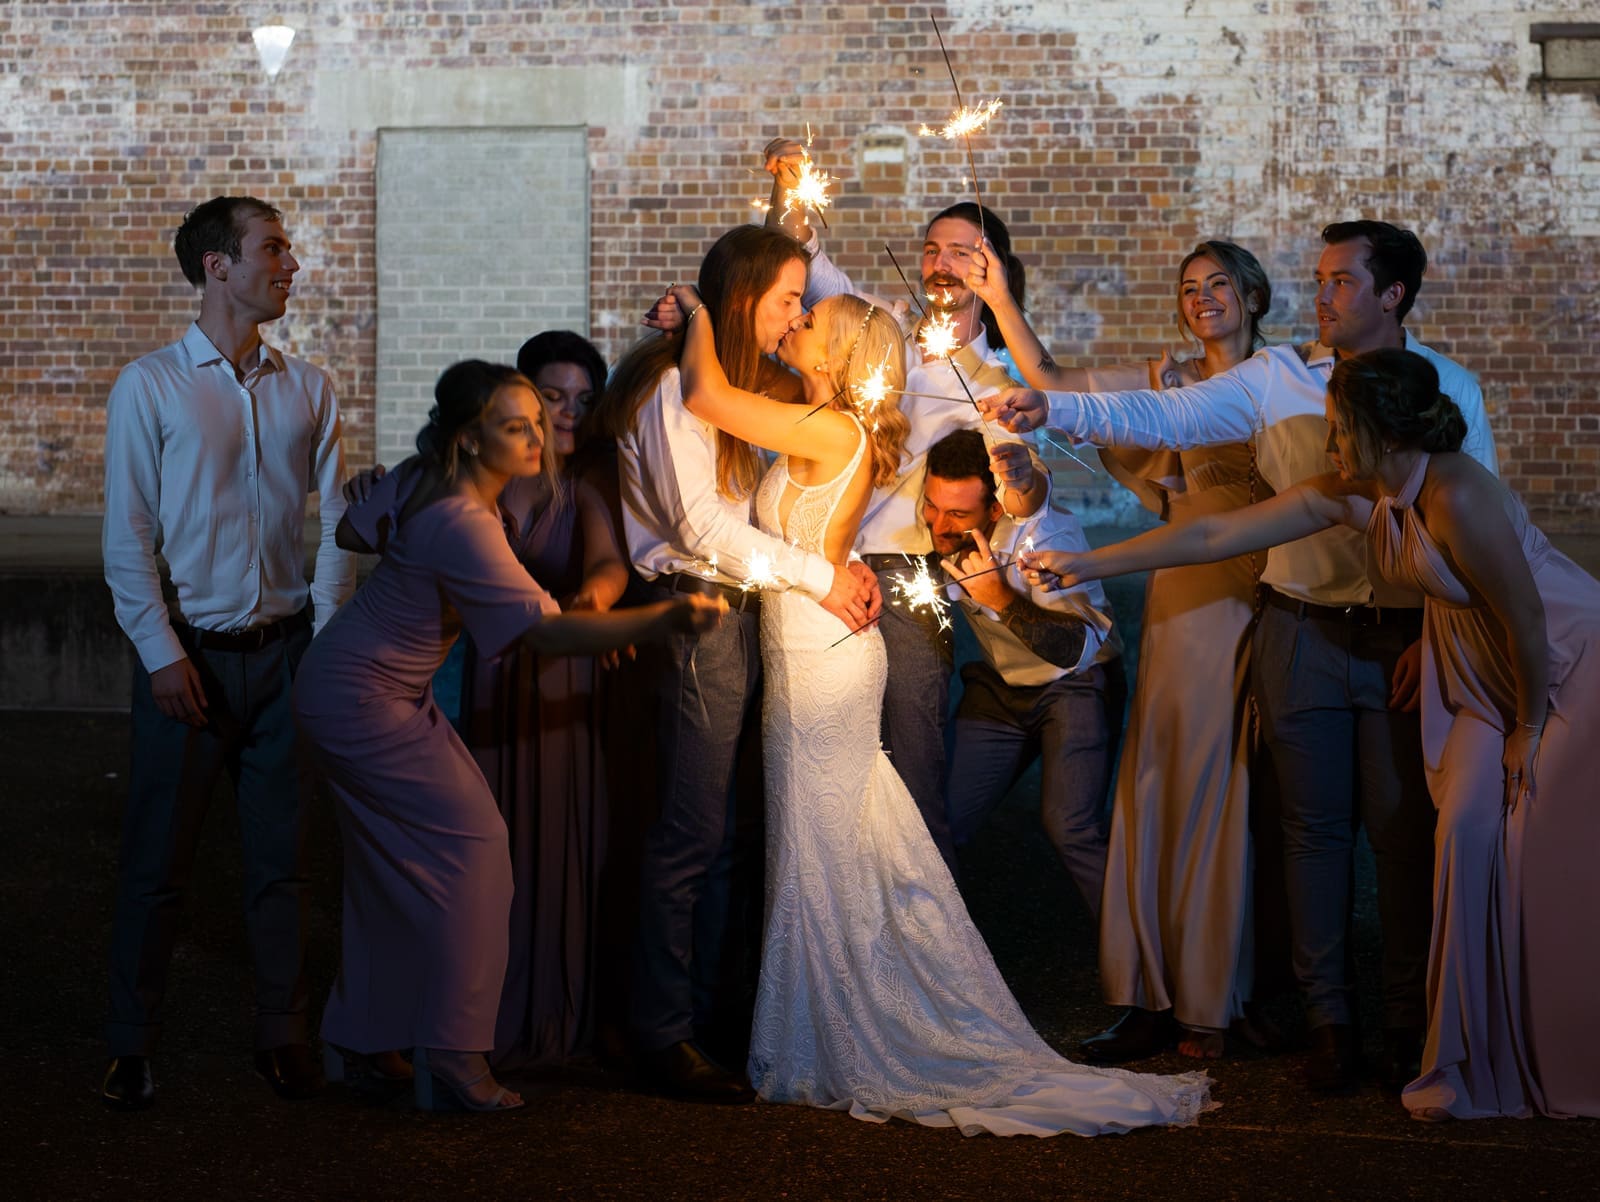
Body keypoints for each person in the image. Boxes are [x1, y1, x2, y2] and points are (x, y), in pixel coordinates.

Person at [665, 279, 1213, 1137]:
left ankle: (873, 1023)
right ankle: (830, 1016)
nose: (798, 322)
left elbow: (704, 393)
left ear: (839, 357)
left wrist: (701, 310)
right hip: (822, 649)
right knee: (836, 842)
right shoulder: (821, 420)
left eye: (809, 320)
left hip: (850, 665)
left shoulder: (834, 431)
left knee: (846, 840)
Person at [985, 221, 1499, 1094]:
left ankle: (1415, 1025)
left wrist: (1430, 637)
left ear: (1393, 296)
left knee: (1403, 836)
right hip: (1299, 623)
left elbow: (1471, 529)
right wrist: (1058, 408)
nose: (1323, 293)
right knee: (1309, 833)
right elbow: (1170, 414)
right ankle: (1329, 1024)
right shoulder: (1281, 376)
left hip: (1398, 639)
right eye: (1321, 277)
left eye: (1341, 280)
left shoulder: (1450, 387)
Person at [1021, 347, 1600, 1122]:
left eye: (1338, 428)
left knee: (1536, 841)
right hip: (1482, 676)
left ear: (1380, 431)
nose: (1327, 444)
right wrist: (1091, 560)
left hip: (1560, 667)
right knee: (1462, 829)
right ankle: (1470, 1049)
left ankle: (1558, 1041)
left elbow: (1527, 615)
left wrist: (1530, 726)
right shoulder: (1358, 491)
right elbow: (1211, 533)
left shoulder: (1457, 492)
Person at [295, 360, 723, 1113]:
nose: (538, 435)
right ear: (469, 439)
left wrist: (376, 488)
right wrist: (665, 619)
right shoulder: (465, 521)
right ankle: (457, 1054)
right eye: (516, 423)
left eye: (539, 419)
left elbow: (356, 527)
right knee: (478, 854)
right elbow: (546, 639)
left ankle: (359, 1041)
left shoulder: (434, 480)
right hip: (364, 699)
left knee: (386, 869)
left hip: (365, 688)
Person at [971, 241, 1276, 1062]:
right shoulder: (1164, 377)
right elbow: (1058, 384)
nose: (1202, 298)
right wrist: (1001, 302)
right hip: (1178, 586)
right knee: (1156, 779)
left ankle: (1222, 995)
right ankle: (1147, 995)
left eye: (1219, 285)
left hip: (1248, 590)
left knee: (1226, 786)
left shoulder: (1279, 380)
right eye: (1189, 287)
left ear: (1252, 295)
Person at [603, 224, 879, 1102]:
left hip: (742, 612)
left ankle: (718, 1017)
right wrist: (820, 573)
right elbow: (700, 527)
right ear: (746, 296)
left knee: (727, 833)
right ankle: (661, 1034)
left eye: (804, 302)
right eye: (788, 299)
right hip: (695, 610)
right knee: (690, 831)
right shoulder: (667, 387)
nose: (797, 314)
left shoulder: (725, 381)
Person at [100, 195, 354, 1109]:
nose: (290, 265)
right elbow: (128, 537)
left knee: (280, 862)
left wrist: (322, 641)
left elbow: (335, 529)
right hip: (192, 660)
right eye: (273, 249)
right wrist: (162, 655)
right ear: (217, 265)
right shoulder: (153, 386)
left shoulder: (309, 388)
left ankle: (282, 1035)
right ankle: (130, 1041)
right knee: (156, 863)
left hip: (286, 655)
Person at [740, 141, 1049, 867]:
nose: (942, 263)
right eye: (933, 249)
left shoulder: (998, 383)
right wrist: (791, 184)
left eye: (963, 253)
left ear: (992, 271)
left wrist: (1018, 479)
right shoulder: (882, 331)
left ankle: (923, 922)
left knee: (911, 760)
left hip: (909, 581)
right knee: (821, 757)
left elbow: (1025, 490)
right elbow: (808, 262)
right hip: (821, 564)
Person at [454, 331, 630, 1070]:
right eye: (551, 397)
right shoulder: (474, 479)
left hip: (561, 679)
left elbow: (609, 565)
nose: (566, 413)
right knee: (483, 851)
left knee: (557, 846)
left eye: (582, 400)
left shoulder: (587, 481)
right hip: (493, 677)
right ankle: (470, 1017)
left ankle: (550, 1012)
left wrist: (582, 610)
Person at [922, 430, 1125, 920]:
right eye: (932, 506)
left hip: (1077, 685)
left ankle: (1143, 963)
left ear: (995, 510)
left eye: (958, 515)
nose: (939, 525)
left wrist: (1002, 600)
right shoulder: (936, 522)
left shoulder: (1040, 541)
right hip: (1002, 688)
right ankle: (929, 956)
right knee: (938, 818)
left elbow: (1075, 648)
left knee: (1070, 828)